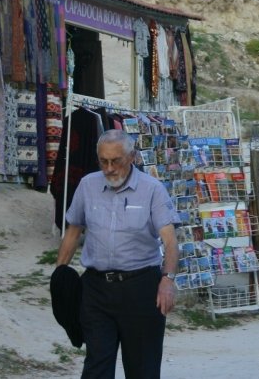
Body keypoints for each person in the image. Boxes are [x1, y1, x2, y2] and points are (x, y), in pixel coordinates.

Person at [55, 130, 179, 379]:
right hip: (96, 291)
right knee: (96, 367)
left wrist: (168, 279)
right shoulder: (88, 185)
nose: (109, 168)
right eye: (103, 161)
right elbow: (73, 230)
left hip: (142, 290)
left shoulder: (152, 189)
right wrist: (59, 274)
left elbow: (170, 240)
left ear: (131, 157)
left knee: (142, 368)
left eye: (116, 161)